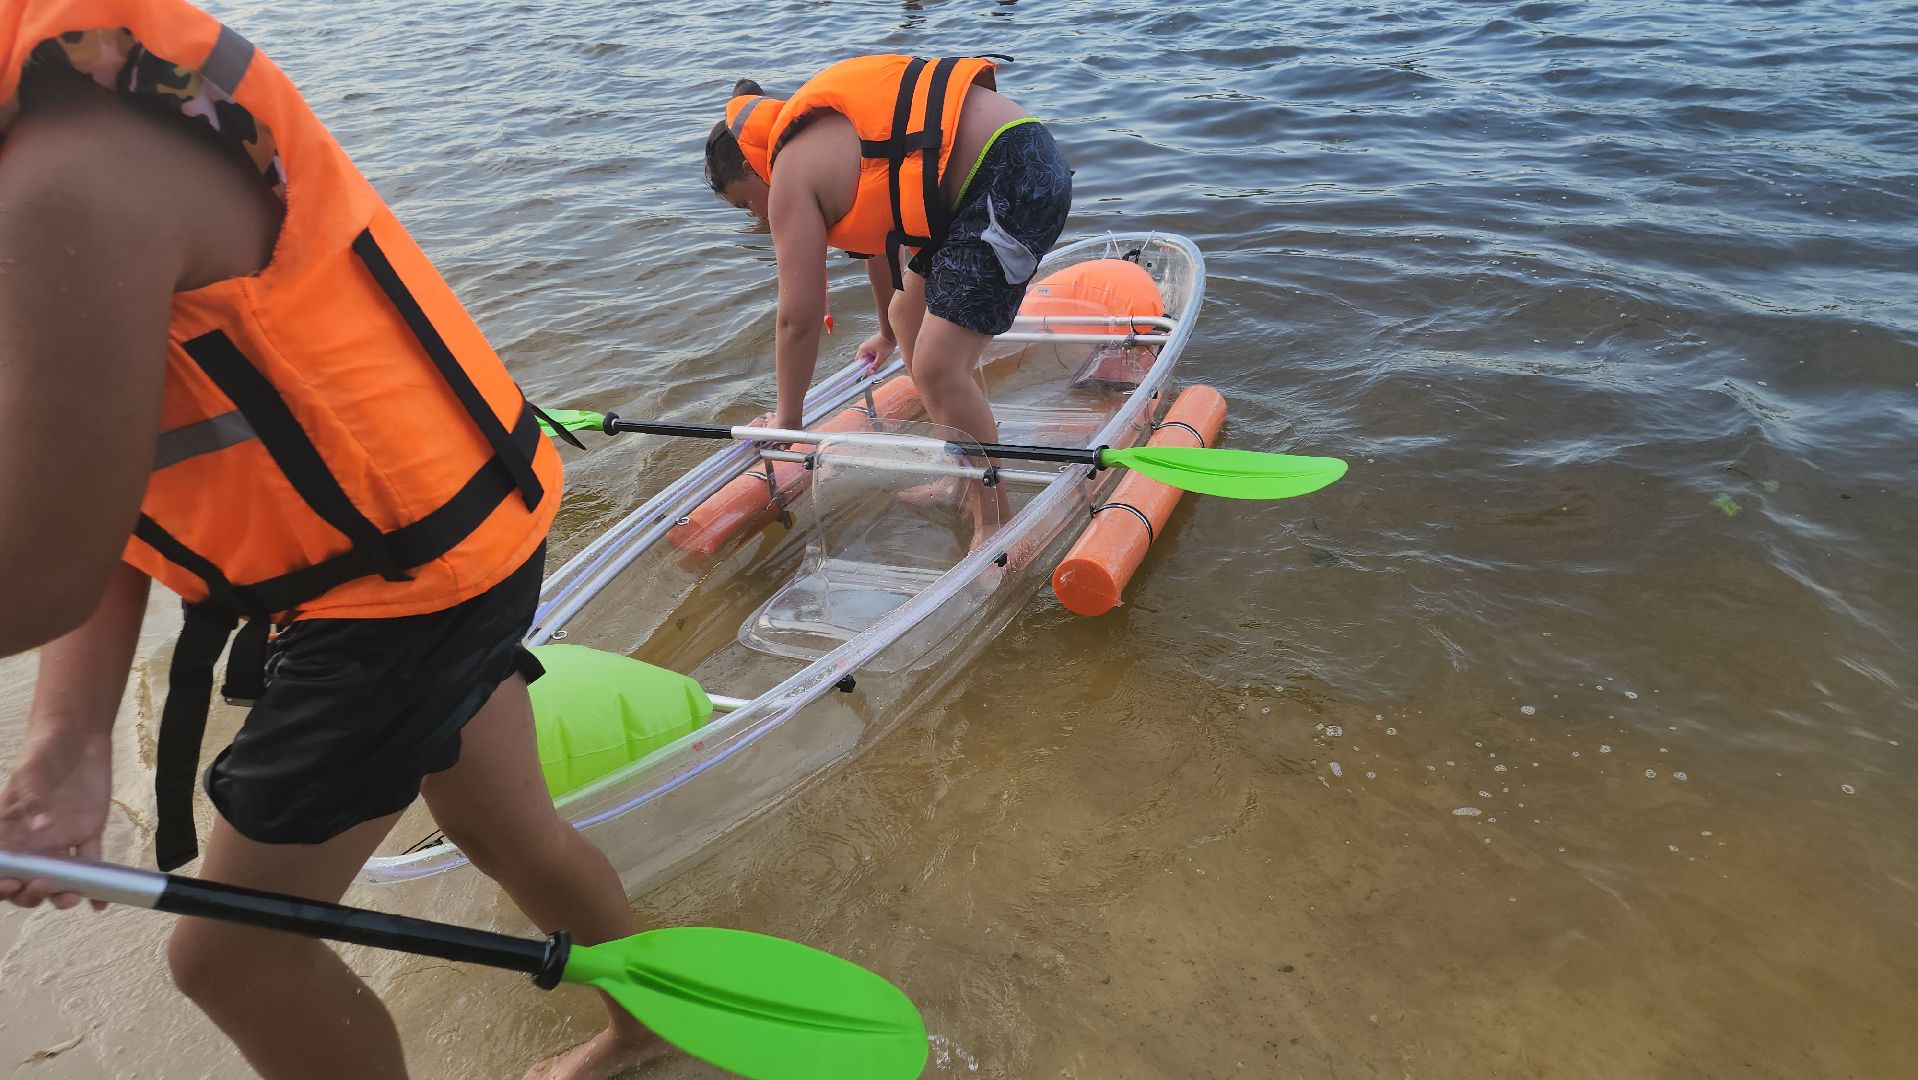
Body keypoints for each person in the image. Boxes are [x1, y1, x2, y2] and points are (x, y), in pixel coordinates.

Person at [0, 3, 655, 1077]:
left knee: (231, 963)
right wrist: (67, 740)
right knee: (507, 829)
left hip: (395, 594)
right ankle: (649, 1032)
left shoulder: (62, 180)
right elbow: (101, 496)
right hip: (461, 538)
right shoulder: (67, 128)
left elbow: (39, 571)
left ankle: (646, 1029)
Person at [703, 54, 1073, 546]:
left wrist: (788, 420)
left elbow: (798, 317)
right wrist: (885, 331)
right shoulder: (824, 145)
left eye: (746, 202)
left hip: (1010, 176)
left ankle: (995, 520)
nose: (758, 216)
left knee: (940, 365)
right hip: (994, 169)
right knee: (907, 319)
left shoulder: (788, 172)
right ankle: (959, 477)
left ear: (752, 166)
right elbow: (881, 244)